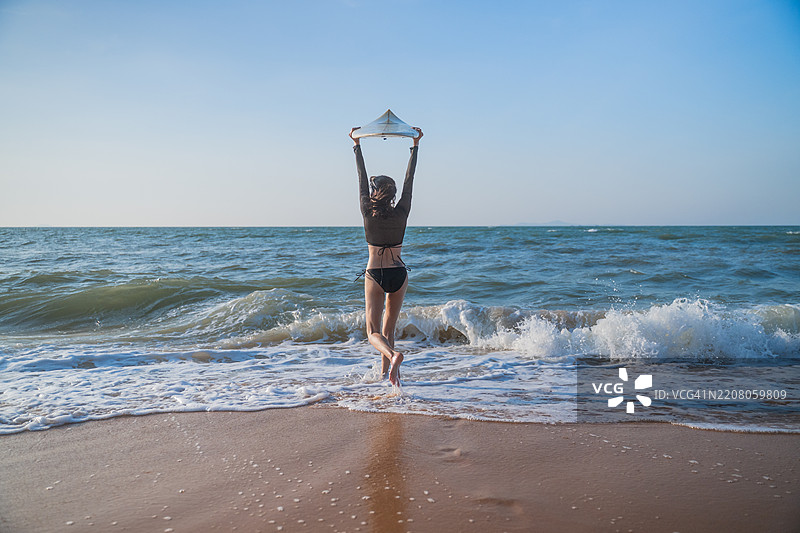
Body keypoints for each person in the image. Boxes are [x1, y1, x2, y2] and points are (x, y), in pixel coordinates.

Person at [349, 125, 423, 386]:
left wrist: (356, 145)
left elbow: (361, 177)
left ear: (374, 192)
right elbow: (409, 182)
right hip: (399, 274)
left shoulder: (367, 211)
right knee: (389, 330)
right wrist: (415, 147)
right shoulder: (402, 211)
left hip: (376, 273)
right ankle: (390, 380)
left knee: (373, 332)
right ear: (392, 195)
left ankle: (392, 356)